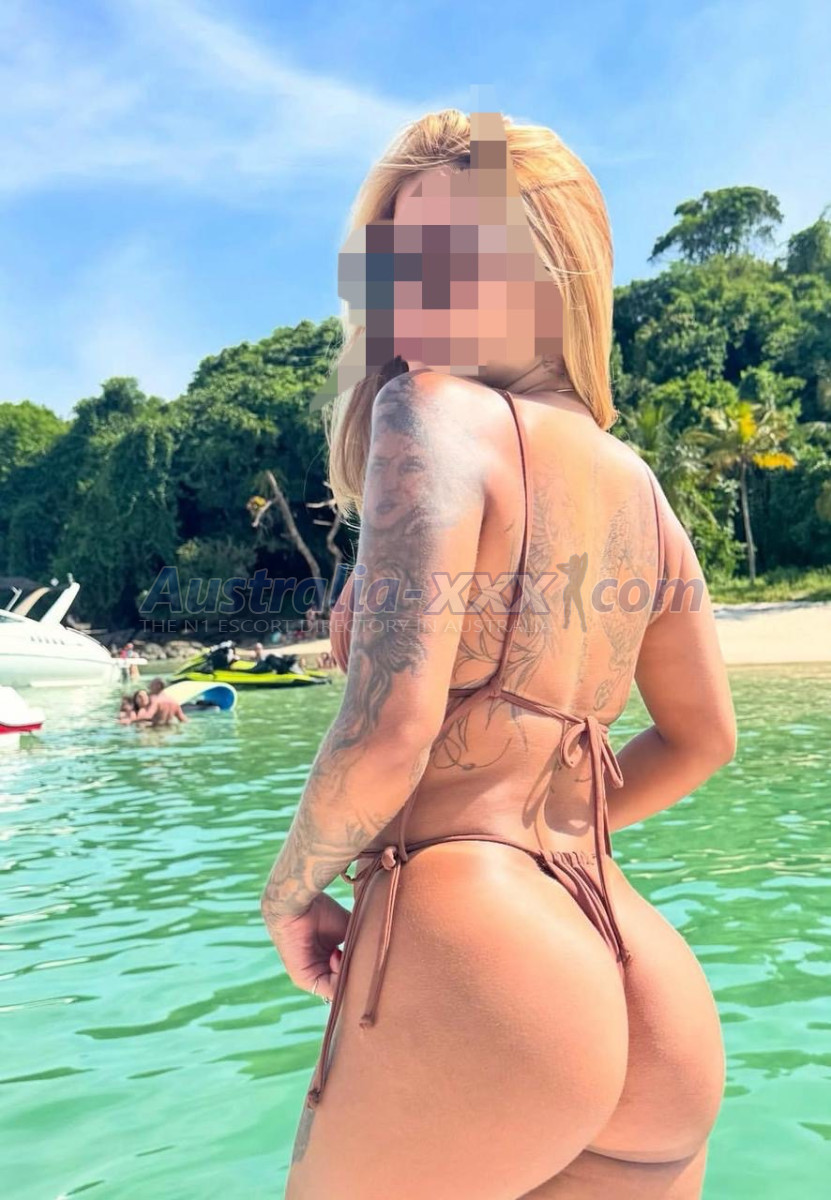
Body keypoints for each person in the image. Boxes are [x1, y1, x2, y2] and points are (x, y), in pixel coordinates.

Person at [259, 111, 737, 1198]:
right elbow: (703, 739)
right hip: (642, 977)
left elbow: (391, 727)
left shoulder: (430, 413)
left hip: (481, 968)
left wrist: (291, 893)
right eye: (396, 255)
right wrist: (543, 832)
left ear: (551, 268)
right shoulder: (640, 488)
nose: (411, 284)